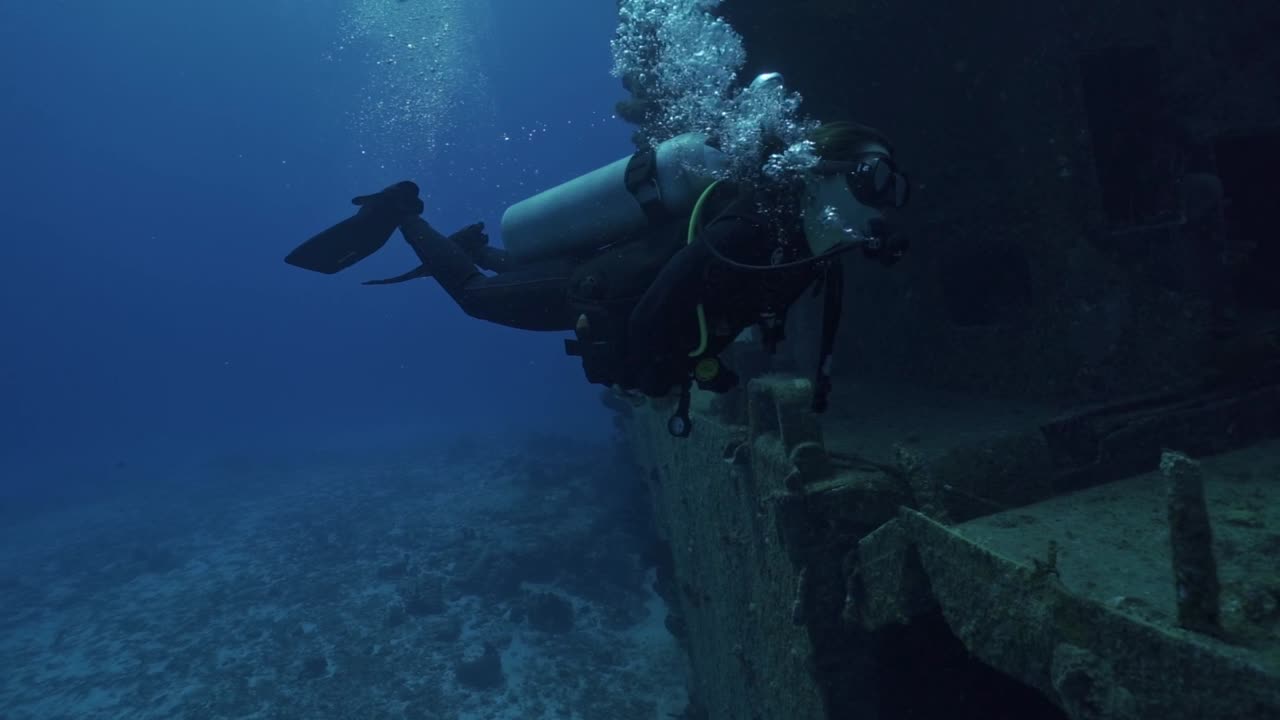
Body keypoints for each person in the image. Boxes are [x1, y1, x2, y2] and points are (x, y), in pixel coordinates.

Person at [286, 121, 910, 435]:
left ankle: (482, 247)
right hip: (603, 294)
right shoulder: (756, 228)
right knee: (476, 299)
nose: (884, 206)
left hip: (613, 273)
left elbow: (818, 308)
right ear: (826, 172)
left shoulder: (803, 244)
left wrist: (819, 378)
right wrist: (647, 375)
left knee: (509, 274)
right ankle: (400, 210)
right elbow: (665, 298)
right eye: (875, 182)